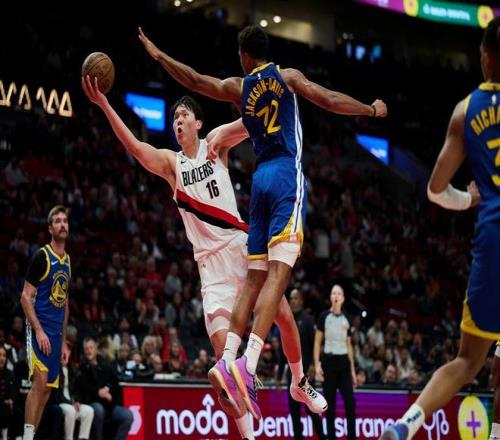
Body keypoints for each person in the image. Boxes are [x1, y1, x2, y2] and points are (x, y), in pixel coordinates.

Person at [139, 24, 386, 420]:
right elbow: (328, 98)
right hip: (286, 175)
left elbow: (195, 80)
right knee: (278, 275)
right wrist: (370, 109)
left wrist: (158, 56)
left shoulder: (240, 87)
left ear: (243, 56)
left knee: (255, 279)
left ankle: (235, 362)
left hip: (260, 181)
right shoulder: (287, 78)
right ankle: (249, 365)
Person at [82, 78, 315, 439]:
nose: (177, 121)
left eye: (184, 116)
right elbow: (135, 147)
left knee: (283, 316)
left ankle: (299, 381)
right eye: (174, 118)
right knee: (224, 370)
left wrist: (276, 95)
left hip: (240, 250)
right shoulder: (171, 164)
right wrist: (104, 105)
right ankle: (249, 437)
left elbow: (254, 121)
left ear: (198, 124)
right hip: (211, 272)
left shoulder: (216, 144)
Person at [380, 17, 500, 440]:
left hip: (492, 236)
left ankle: (406, 425)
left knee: (467, 361)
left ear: (484, 58)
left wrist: (468, 199)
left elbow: (434, 189)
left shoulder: (466, 111)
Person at [20, 205, 71, 440]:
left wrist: (64, 341)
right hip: (38, 328)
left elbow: (64, 303)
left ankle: (30, 436)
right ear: (50, 229)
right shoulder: (42, 256)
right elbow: (25, 297)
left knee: (48, 390)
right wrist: (39, 330)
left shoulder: (67, 260)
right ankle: (26, 437)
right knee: (39, 382)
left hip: (56, 334)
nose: (63, 224)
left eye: (65, 221)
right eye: (57, 221)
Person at [314, 285, 357, 440]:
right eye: (334, 293)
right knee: (330, 406)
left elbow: (349, 345)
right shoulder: (323, 316)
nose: (336, 295)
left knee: (350, 404)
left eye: (339, 293)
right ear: (330, 297)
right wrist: (317, 364)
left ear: (343, 298)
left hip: (344, 364)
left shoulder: (347, 318)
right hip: (329, 363)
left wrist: (353, 370)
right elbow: (317, 342)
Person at [286, 289, 326, 440]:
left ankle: (322, 437)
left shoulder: (308, 320)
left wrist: (314, 365)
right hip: (291, 374)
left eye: (296, 298)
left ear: (301, 301)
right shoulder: (287, 320)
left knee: (312, 409)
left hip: (306, 373)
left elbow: (315, 345)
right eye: (291, 298)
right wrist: (279, 373)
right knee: (294, 412)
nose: (293, 301)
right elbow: (284, 349)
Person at [75, 337, 132, 440]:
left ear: (96, 349)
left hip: (108, 405)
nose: (89, 351)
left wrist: (107, 389)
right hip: (91, 402)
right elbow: (83, 388)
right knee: (99, 409)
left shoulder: (105, 365)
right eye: (86, 349)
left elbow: (114, 382)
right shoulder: (82, 368)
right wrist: (98, 393)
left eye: (91, 348)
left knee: (127, 415)